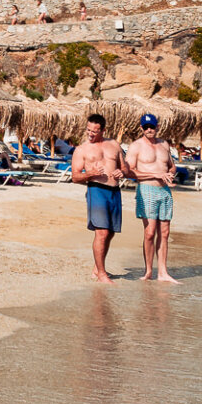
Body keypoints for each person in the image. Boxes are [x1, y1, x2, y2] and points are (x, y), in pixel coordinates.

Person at [70, 113, 127, 282]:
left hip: (114, 191)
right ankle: (101, 274)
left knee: (110, 232)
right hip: (96, 190)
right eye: (88, 130)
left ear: (103, 130)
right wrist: (90, 174)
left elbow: (125, 167)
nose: (90, 134)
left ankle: (97, 269)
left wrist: (122, 172)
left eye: (94, 131)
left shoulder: (114, 145)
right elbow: (75, 177)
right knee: (102, 232)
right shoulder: (82, 150)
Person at [127, 113, 178, 283]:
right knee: (149, 233)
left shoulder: (164, 144)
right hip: (147, 190)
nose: (149, 129)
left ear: (157, 127)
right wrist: (155, 175)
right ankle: (148, 271)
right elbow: (129, 171)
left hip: (165, 191)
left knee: (165, 232)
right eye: (146, 127)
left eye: (152, 126)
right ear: (141, 128)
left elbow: (172, 166)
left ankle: (163, 272)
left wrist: (170, 174)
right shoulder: (136, 146)